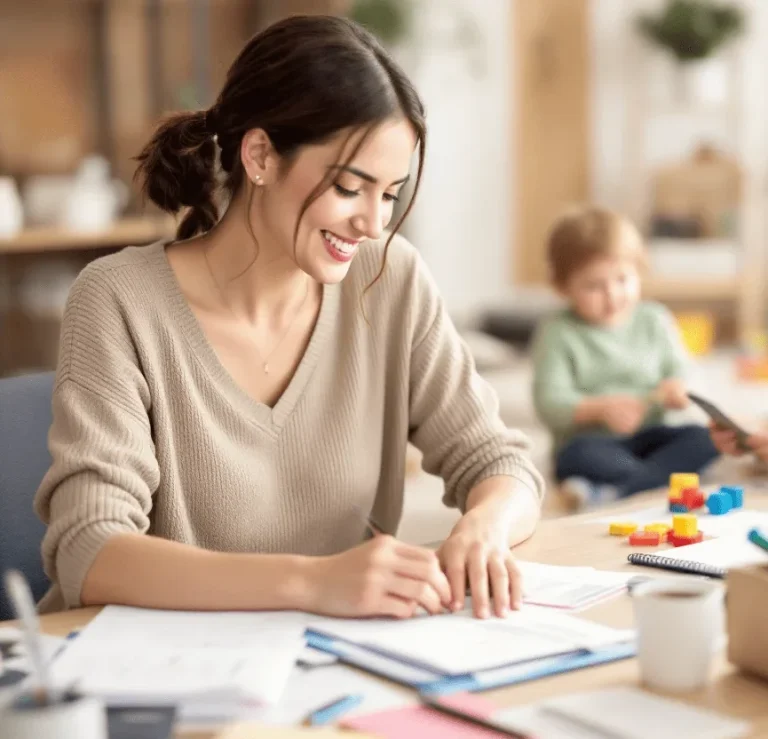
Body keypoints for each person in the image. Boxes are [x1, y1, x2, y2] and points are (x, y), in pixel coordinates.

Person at [34, 15, 544, 621]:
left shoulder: (389, 280)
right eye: (351, 188)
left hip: (320, 668)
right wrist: (312, 583)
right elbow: (91, 552)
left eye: (389, 194)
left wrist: (484, 527)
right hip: (141, 679)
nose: (374, 223)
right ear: (260, 156)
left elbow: (501, 464)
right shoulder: (119, 301)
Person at [531, 206, 718, 510]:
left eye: (622, 279)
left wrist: (677, 387)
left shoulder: (653, 319)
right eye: (594, 286)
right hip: (593, 442)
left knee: (704, 438)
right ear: (563, 287)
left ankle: (616, 491)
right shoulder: (558, 332)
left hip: (653, 435)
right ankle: (652, 485)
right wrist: (598, 409)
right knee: (577, 457)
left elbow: (681, 369)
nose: (612, 294)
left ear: (639, 272)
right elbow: (549, 402)